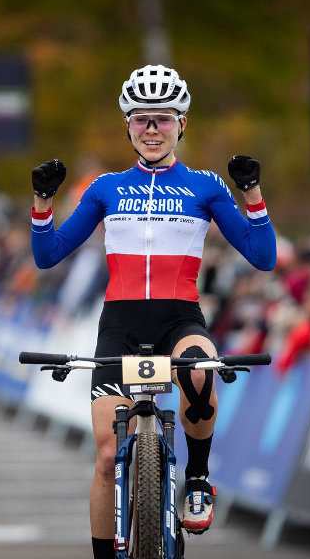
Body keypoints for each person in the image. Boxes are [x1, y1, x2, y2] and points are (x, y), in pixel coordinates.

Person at [28, 64, 276, 558]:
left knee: (202, 369)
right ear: (128, 125)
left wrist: (251, 195)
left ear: (181, 124)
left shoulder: (204, 186)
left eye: (163, 119)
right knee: (104, 457)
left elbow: (263, 256)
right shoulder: (105, 188)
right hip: (119, 326)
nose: (152, 130)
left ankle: (199, 479)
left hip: (178, 318)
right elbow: (48, 254)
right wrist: (41, 202)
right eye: (142, 120)